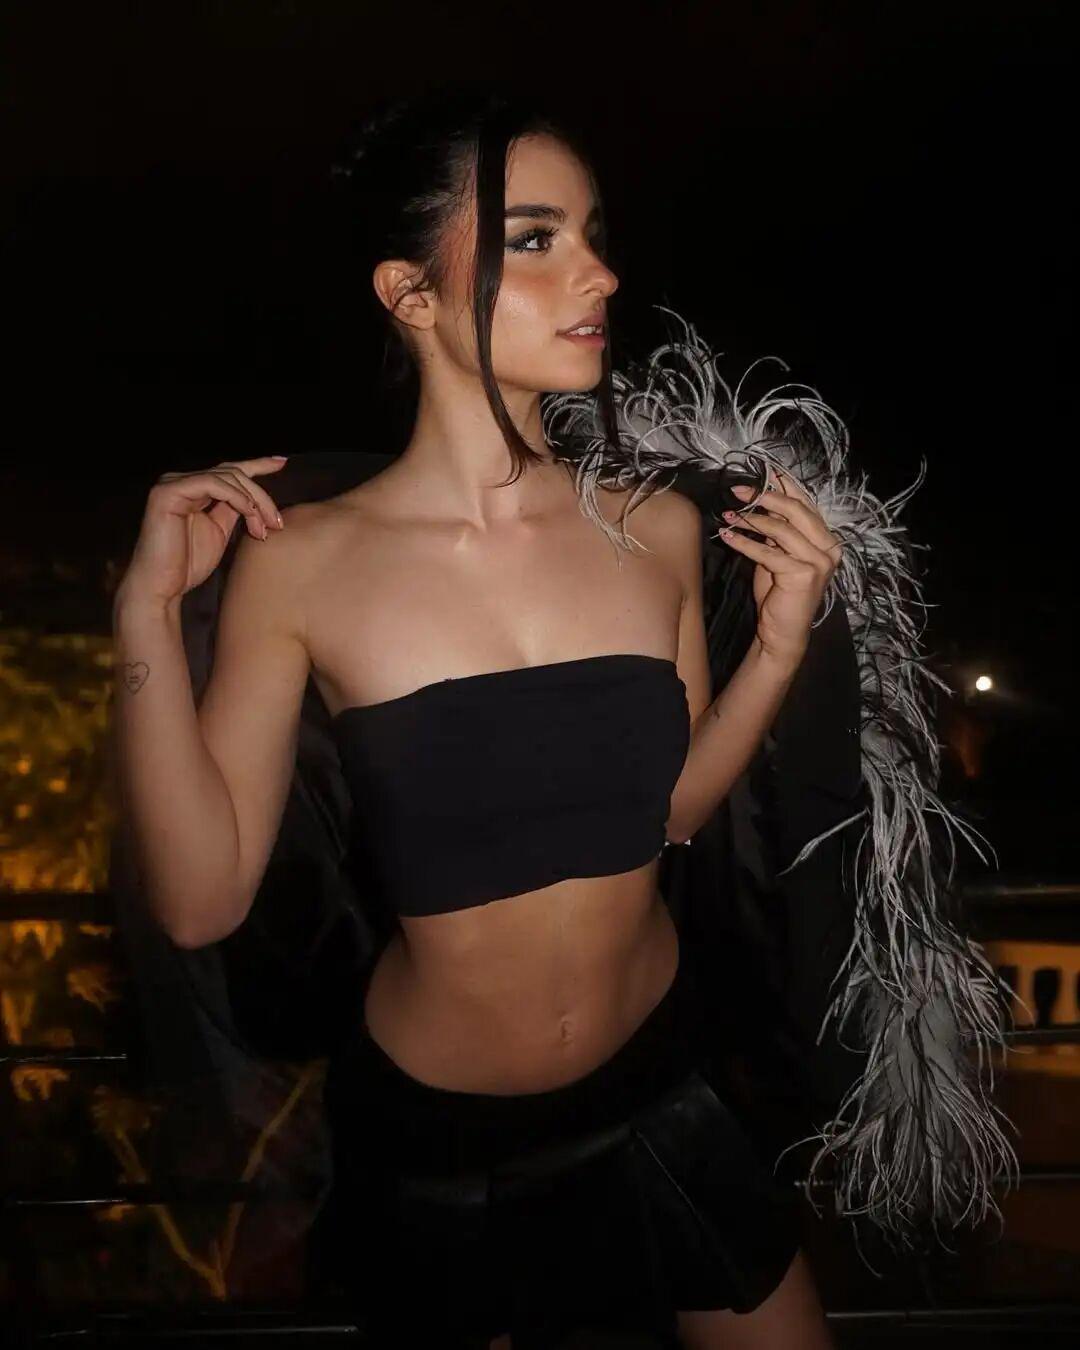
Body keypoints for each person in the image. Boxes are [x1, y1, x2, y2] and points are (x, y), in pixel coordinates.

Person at [108, 85, 1019, 1349]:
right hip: (443, 1142)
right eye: (534, 238)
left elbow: (668, 816)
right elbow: (201, 902)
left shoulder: (654, 529)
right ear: (408, 293)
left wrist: (782, 642)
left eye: (593, 233)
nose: (597, 272)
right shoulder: (302, 565)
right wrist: (146, 616)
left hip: (660, 1081)